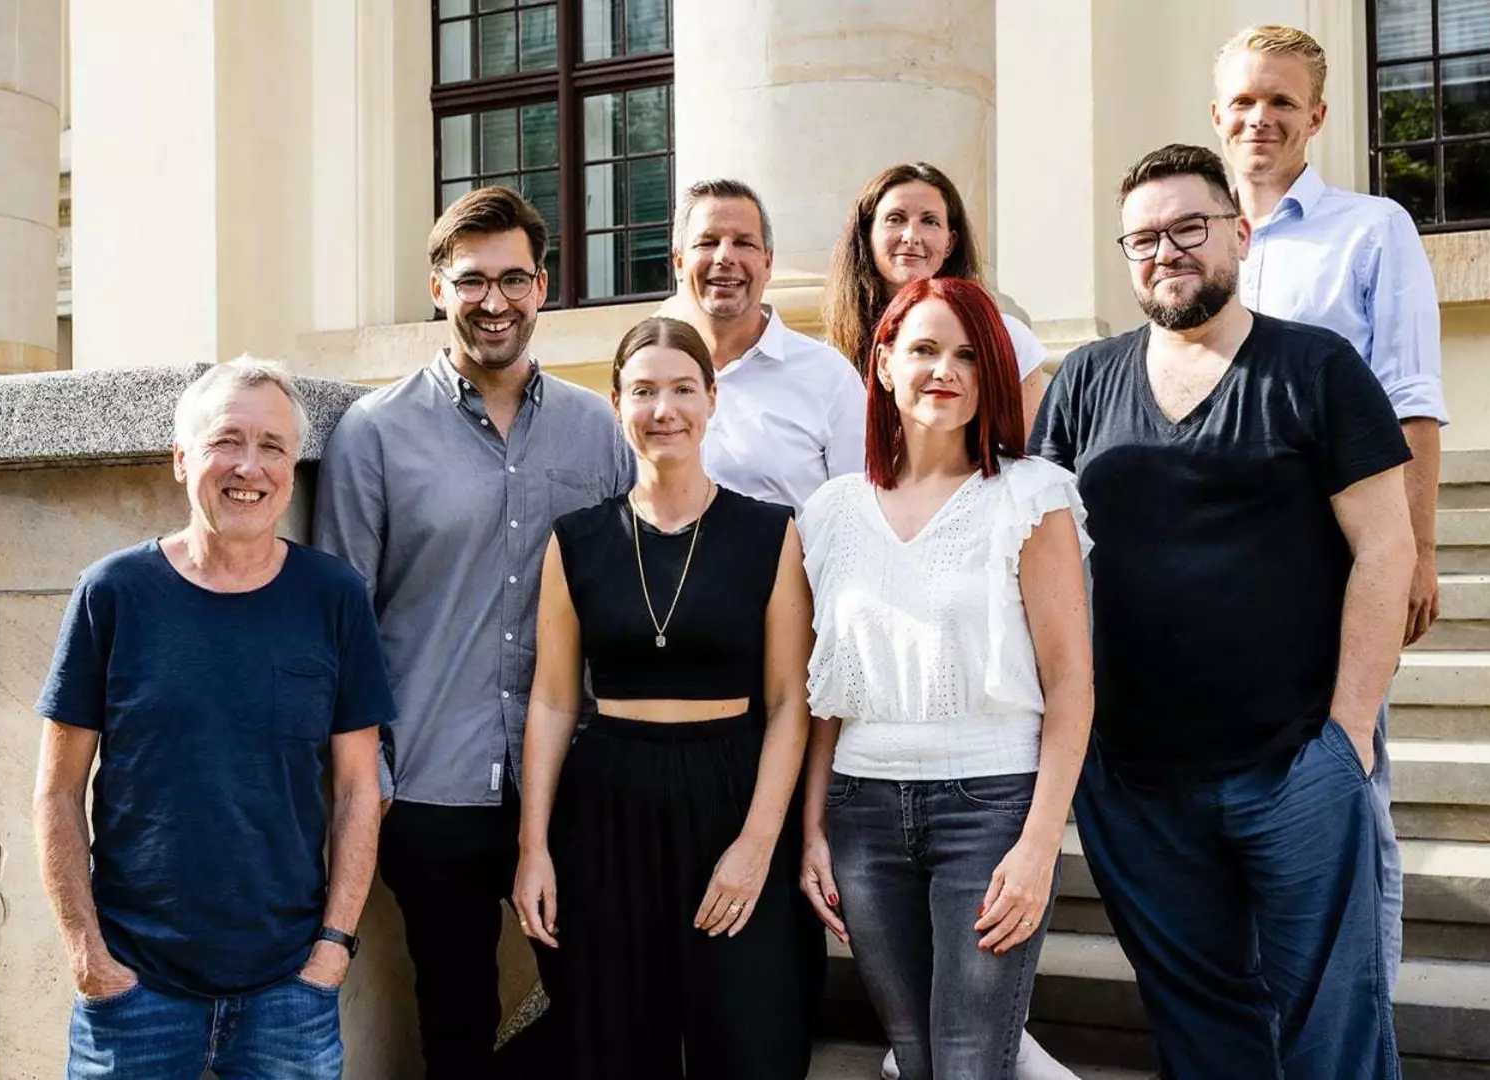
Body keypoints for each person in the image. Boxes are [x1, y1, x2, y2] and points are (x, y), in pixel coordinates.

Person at [1032, 144, 1414, 1078]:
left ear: (1240, 233)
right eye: (1143, 239)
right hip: (1134, 784)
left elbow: (1386, 548)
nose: (1166, 251)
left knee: (1334, 1030)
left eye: (1188, 228)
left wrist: (1347, 737)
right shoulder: (1084, 383)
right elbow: (1039, 560)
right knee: (1199, 1030)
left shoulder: (1315, 367)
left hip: (1294, 767)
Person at [313, 186, 636, 1078]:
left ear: (543, 286)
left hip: (570, 779)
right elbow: (341, 620)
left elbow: (618, 600)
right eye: (472, 282)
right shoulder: (372, 435)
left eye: (513, 280)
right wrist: (366, 774)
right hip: (428, 787)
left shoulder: (596, 429)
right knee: (454, 1014)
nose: (493, 301)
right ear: (437, 287)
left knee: (603, 1001)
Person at [33, 359, 392, 1079]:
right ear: (180, 458)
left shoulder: (333, 597)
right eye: (227, 440)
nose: (249, 467)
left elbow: (359, 788)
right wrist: (87, 956)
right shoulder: (114, 592)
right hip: (134, 990)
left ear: (293, 466)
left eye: (273, 446)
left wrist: (332, 951)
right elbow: (57, 790)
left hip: (289, 990)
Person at [799, 277, 1094, 1080]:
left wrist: (1039, 847)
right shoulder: (827, 512)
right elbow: (829, 690)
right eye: (924, 349)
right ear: (884, 363)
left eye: (969, 355)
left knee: (971, 1063)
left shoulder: (1032, 497)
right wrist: (813, 828)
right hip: (863, 817)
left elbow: (1072, 686)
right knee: (919, 1060)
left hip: (990, 808)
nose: (945, 370)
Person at [511, 316, 814, 1079]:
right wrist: (534, 847)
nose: (664, 409)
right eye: (643, 391)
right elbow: (552, 702)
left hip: (735, 795)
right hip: (608, 804)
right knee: (614, 1044)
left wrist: (756, 845)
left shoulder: (771, 534)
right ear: (616, 404)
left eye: (683, 389)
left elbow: (789, 704)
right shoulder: (575, 539)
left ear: (713, 400)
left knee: (750, 1042)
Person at [1211, 23, 1449, 985]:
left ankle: (1363, 1016)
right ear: (1217, 117)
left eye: (1280, 101)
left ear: (1316, 114)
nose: (1259, 118)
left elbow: (1412, 401)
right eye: (1242, 102)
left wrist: (1420, 552)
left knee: (1348, 796)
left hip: (1340, 568)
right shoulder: (1196, 238)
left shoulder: (1371, 228)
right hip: (1223, 576)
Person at [661, 177, 868, 514]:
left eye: (744, 243)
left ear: (768, 262)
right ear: (679, 262)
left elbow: (860, 520)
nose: (725, 256)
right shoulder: (645, 379)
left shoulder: (829, 377)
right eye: (708, 242)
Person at [825, 162, 1051, 429]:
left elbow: (1032, 455)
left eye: (930, 221)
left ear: (950, 243)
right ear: (867, 236)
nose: (911, 236)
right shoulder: (832, 357)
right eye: (895, 219)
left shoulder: (1008, 338)